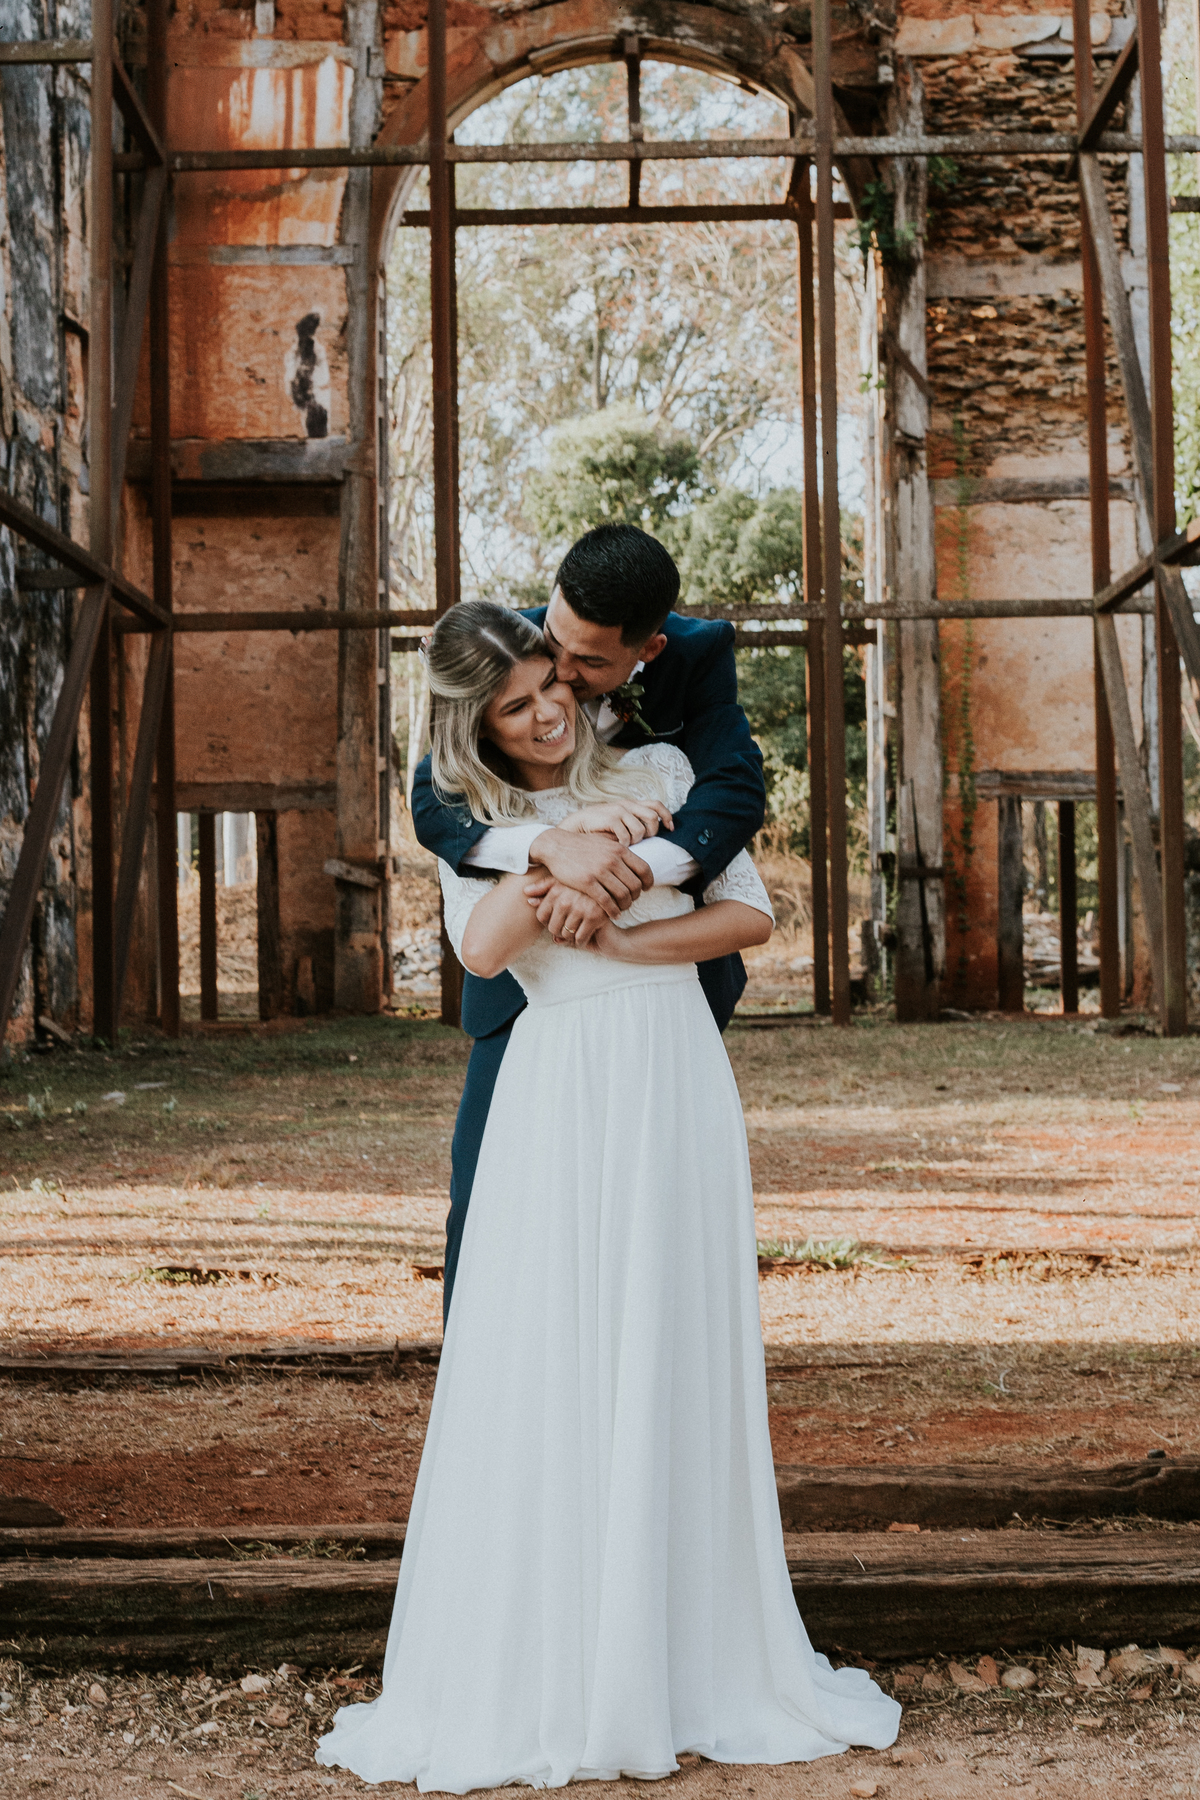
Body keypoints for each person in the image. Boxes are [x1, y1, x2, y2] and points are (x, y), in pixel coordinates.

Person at [316, 601, 901, 1792]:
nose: (546, 715)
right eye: (517, 707)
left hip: (672, 1070)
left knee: (670, 1334)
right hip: (557, 1086)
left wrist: (625, 922)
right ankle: (554, 1646)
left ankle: (691, 1651)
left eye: (551, 688)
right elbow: (480, 953)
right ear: (478, 724)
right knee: (548, 1343)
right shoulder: (474, 818)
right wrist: (555, 858)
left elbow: (749, 912)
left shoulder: (665, 767)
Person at [411, 523, 767, 1318]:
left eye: (584, 666)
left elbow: (735, 792)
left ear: (648, 653)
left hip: (661, 1000)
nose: (561, 679)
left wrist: (626, 875)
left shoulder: (696, 665)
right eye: (555, 645)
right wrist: (550, 846)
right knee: (491, 1204)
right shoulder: (512, 648)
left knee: (652, 1215)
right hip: (530, 1003)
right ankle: (491, 1392)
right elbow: (435, 802)